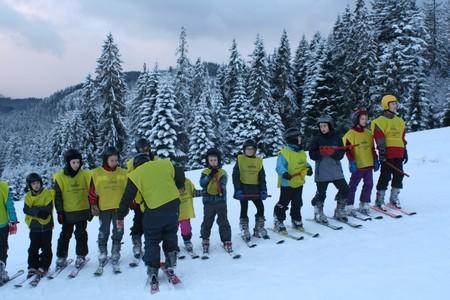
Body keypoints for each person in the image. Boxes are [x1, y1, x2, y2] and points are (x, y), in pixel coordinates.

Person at [117, 154, 184, 286]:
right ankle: (171, 259)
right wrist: (179, 184)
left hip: (154, 210)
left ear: (136, 165)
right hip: (173, 205)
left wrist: (120, 216)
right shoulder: (164, 164)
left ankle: (153, 268)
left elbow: (127, 197)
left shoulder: (136, 174)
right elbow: (180, 170)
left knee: (152, 238)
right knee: (170, 232)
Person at [90, 147, 127, 269]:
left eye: (116, 160)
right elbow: (92, 191)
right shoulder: (96, 173)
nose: (114, 162)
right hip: (104, 208)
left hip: (119, 209)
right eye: (111, 160)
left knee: (119, 230)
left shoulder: (123, 172)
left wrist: (128, 204)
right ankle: (102, 250)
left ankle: (116, 249)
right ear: (106, 160)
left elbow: (128, 190)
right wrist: (93, 204)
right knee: (103, 230)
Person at [53, 149, 91, 268]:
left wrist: (92, 208)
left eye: (78, 162)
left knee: (81, 234)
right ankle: (61, 257)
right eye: (73, 162)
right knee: (65, 235)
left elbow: (92, 192)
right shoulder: (60, 177)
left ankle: (81, 256)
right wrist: (59, 211)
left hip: (82, 210)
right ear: (68, 162)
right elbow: (58, 196)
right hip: (67, 212)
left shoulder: (86, 175)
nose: (76, 165)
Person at [309, 115, 349, 223]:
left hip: (335, 169)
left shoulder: (337, 137)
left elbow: (341, 154)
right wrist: (320, 153)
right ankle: (318, 212)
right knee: (321, 193)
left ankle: (339, 210)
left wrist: (333, 153)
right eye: (321, 126)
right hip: (322, 170)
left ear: (330, 126)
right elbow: (312, 155)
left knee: (345, 189)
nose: (322, 128)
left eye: (325, 126)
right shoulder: (316, 139)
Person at [371, 95, 407, 209]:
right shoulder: (379, 122)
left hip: (399, 154)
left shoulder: (400, 121)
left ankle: (394, 198)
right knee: (385, 176)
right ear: (386, 105)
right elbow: (379, 138)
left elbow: (402, 138)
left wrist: (405, 151)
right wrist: (382, 153)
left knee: (399, 175)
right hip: (387, 154)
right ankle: (379, 200)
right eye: (392, 104)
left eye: (396, 103)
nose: (395, 106)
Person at [273, 128, 312, 233]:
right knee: (284, 203)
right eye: (299, 138)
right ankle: (278, 220)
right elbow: (279, 167)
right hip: (287, 183)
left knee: (297, 202)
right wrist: (284, 173)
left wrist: (309, 168)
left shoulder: (301, 152)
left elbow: (304, 163)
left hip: (299, 182)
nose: (301, 140)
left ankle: (296, 219)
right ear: (293, 139)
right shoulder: (284, 153)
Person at [126, 138, 156, 259]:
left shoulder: (155, 159)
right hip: (139, 198)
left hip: (154, 196)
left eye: (146, 149)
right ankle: (137, 243)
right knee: (138, 221)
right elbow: (129, 180)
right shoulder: (132, 163)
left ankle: (152, 244)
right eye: (141, 149)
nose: (144, 151)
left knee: (154, 223)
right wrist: (131, 199)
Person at [232, 139, 268, 241]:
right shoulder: (240, 160)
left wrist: (263, 190)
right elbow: (235, 176)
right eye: (248, 149)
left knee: (260, 207)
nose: (250, 151)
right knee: (244, 209)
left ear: (255, 150)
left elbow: (262, 177)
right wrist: (237, 190)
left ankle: (259, 227)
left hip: (256, 190)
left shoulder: (258, 161)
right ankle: (244, 228)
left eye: (252, 149)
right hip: (243, 191)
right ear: (244, 150)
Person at [199, 148, 233, 254]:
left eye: (215, 160)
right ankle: (205, 239)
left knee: (223, 221)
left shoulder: (222, 173)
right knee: (207, 221)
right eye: (211, 160)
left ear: (218, 160)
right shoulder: (205, 172)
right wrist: (209, 176)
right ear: (208, 161)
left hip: (220, 201)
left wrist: (219, 185)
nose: (213, 162)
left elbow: (223, 186)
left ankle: (226, 240)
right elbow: (202, 183)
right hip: (208, 202)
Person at [23, 173, 54, 277]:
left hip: (46, 227)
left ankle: (44, 266)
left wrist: (34, 210)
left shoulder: (47, 193)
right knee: (33, 247)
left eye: (38, 183)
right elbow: (26, 209)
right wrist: (39, 211)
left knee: (46, 247)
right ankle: (32, 266)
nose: (36, 185)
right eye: (33, 184)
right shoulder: (28, 196)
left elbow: (47, 211)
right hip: (34, 227)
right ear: (30, 185)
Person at [0, 179, 18, 285]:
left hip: (2, 225)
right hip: (2, 225)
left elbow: (9, 205)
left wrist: (13, 220)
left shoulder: (3, 186)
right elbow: (10, 205)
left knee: (2, 247)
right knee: (2, 247)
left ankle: (1, 271)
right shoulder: (3, 186)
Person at [178, 177, 201, 252]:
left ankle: (187, 241)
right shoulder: (168, 182)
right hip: (172, 212)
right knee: (171, 230)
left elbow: (193, 192)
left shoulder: (187, 181)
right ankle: (172, 244)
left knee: (186, 228)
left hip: (185, 211)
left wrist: (205, 192)